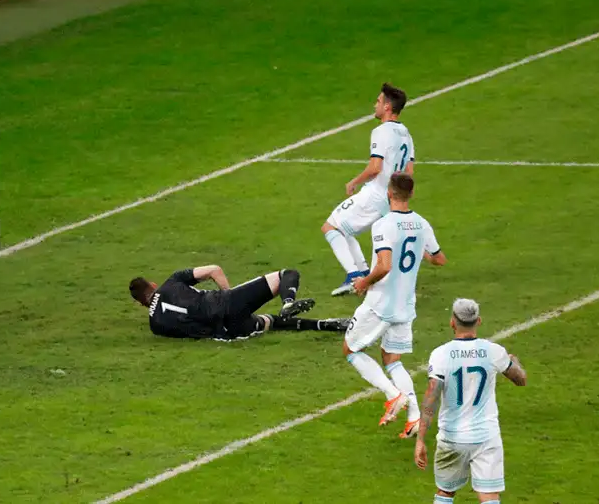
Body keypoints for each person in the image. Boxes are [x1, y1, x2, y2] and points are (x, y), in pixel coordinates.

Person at [343, 172, 446, 436]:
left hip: (380, 303)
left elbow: (384, 266)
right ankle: (414, 417)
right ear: (411, 194)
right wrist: (418, 250)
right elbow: (439, 259)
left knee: (351, 350)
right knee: (392, 359)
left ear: (389, 193)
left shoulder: (383, 225)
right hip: (405, 305)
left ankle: (393, 395)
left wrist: (363, 282)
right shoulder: (422, 224)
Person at [414, 298, 527, 504]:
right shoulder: (494, 351)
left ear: (452, 322)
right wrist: (515, 361)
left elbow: (431, 398)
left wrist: (420, 439)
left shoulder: (440, 354)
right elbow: (521, 380)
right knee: (489, 497)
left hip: (452, 437)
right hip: (486, 437)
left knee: (445, 492)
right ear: (479, 321)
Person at [322, 82, 415, 296]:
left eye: (379, 101)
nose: (375, 105)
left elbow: (375, 167)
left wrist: (354, 182)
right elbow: (409, 172)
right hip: (391, 197)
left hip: (374, 194)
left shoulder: (381, 131)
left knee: (330, 227)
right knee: (344, 228)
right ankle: (363, 271)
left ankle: (354, 277)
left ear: (387, 107)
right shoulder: (406, 134)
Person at [129, 265, 348, 341]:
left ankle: (326, 325)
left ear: (141, 303)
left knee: (269, 322)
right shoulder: (172, 281)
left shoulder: (155, 326)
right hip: (227, 304)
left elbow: (187, 332)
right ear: (153, 284)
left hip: (227, 332)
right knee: (287, 274)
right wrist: (230, 296)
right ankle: (289, 302)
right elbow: (214, 270)